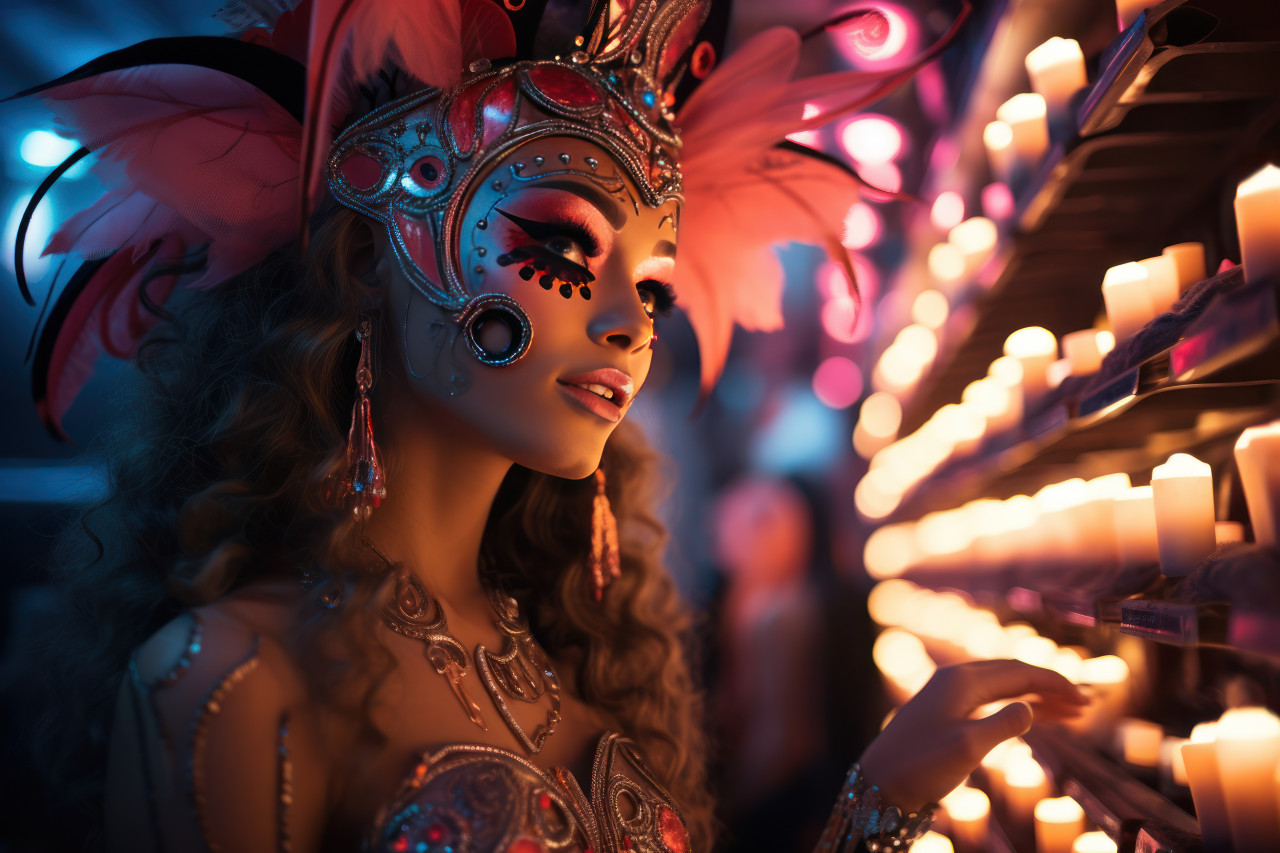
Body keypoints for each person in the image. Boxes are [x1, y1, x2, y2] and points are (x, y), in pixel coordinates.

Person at [8, 1, 1089, 851]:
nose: (629, 324)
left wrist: (879, 801)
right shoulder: (231, 678)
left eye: (654, 288)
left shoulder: (576, 657)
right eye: (564, 252)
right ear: (381, 258)